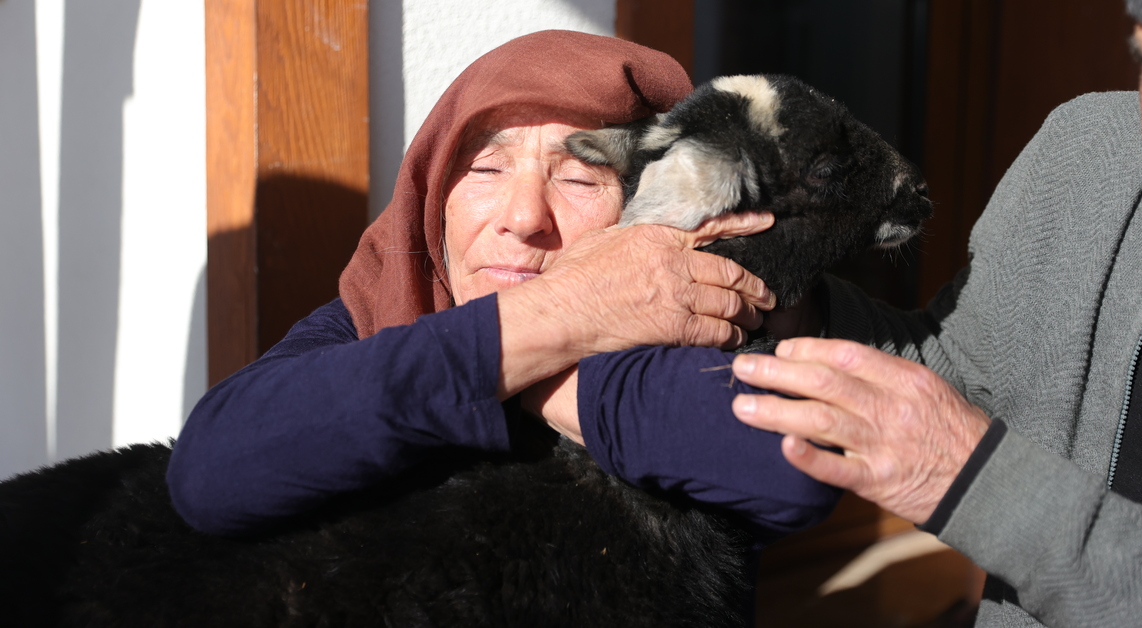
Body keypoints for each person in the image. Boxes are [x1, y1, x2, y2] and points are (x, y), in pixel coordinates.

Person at [167, 30, 839, 557]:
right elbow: (213, 470)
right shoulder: (387, 304)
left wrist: (527, 366)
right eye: (485, 168)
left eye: (579, 179)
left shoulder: (682, 307)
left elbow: (791, 466)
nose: (523, 217)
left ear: (651, 211)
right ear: (432, 196)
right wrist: (553, 322)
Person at [726, 1, 1142, 625]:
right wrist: (791, 308)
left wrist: (987, 489)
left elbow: (977, 469)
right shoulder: (1087, 153)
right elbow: (960, 367)